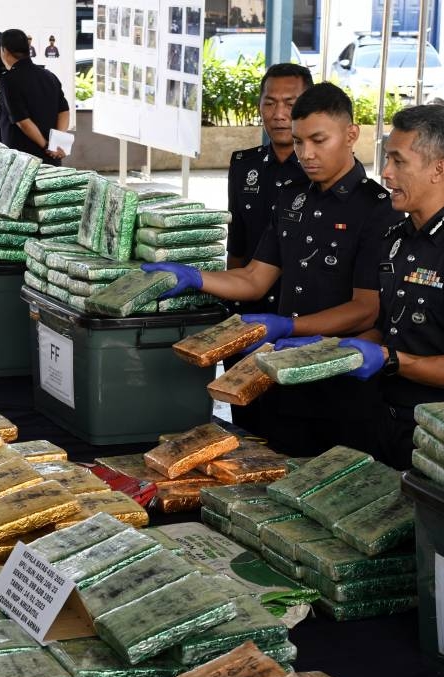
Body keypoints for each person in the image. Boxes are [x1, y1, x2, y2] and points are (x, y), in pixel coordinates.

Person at [144, 83, 404, 456]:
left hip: (341, 384)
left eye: (318, 140)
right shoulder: (292, 197)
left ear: (351, 135)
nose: (306, 154)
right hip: (283, 377)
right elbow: (254, 278)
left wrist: (291, 326)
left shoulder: (377, 208)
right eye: (299, 143)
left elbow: (367, 308)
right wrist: (196, 277)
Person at [339, 104, 444, 470]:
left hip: (434, 435)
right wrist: (335, 351)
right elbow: (390, 327)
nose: (386, 173)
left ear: (439, 169)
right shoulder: (399, 237)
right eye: (388, 159)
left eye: (399, 161)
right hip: (378, 417)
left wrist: (392, 360)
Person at [222, 62, 311, 436]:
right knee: (245, 428)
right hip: (249, 316)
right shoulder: (245, 166)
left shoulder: (317, 170)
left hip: (299, 323)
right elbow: (237, 247)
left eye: (290, 104)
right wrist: (230, 317)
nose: (278, 115)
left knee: (290, 428)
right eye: (269, 103)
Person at [0, 29, 69, 165]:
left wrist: (45, 145)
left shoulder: (9, 80)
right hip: (52, 158)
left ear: (4, 51)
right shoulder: (49, 76)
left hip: (24, 160)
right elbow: (64, 112)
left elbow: (22, 121)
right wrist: (56, 145)